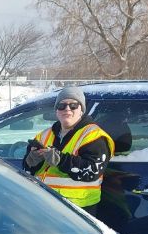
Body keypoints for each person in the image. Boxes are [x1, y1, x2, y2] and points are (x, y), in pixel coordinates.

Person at [23, 87, 114, 217]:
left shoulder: (94, 136)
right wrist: (32, 161)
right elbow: (28, 168)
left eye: (73, 105)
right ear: (56, 111)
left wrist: (61, 160)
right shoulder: (43, 135)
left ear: (81, 110)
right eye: (62, 105)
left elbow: (92, 171)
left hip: (77, 209)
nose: (67, 109)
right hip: (44, 203)